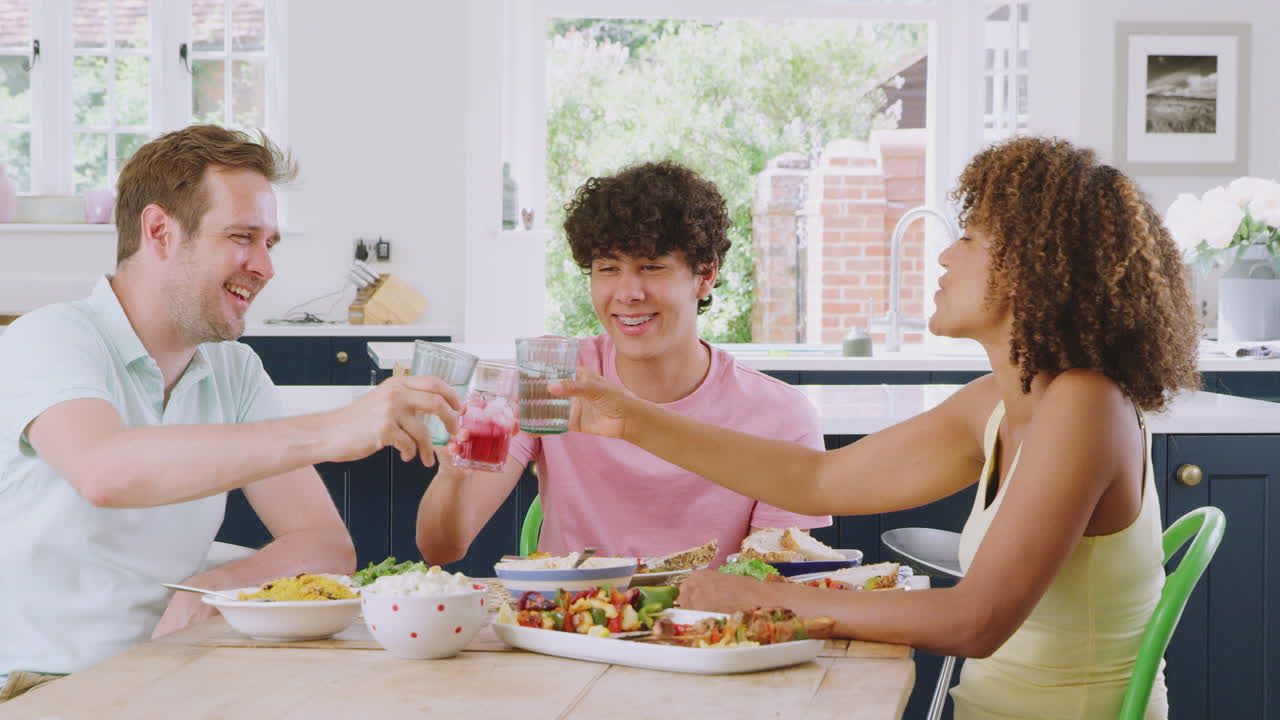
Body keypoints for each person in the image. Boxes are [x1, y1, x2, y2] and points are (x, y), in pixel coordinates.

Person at [550, 137, 1199, 719]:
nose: (945, 255)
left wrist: (756, 599)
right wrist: (632, 420)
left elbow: (975, 621)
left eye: (969, 238)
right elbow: (817, 478)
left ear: (1036, 264)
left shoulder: (1086, 407)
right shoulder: (998, 405)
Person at [0, 125, 459, 696]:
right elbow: (105, 471)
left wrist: (213, 588)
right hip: (44, 687)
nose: (265, 267)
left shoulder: (233, 372)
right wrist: (333, 429)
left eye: (271, 243)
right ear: (160, 230)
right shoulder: (50, 337)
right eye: (243, 237)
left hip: (176, 679)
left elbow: (326, 546)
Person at [417, 161, 830, 568]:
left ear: (705, 274)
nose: (628, 292)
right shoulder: (551, 380)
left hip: (708, 627)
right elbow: (442, 549)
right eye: (608, 268)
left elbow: (766, 578)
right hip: (564, 622)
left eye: (651, 267)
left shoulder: (781, 416)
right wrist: (454, 473)